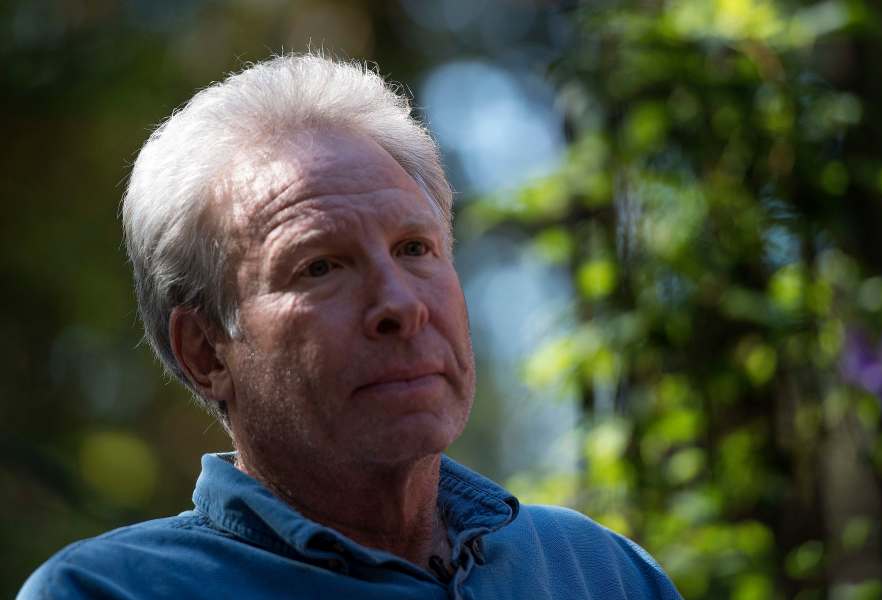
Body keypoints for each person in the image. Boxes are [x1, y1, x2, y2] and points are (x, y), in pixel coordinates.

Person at [18, 54, 682, 600]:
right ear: (206, 352)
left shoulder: (600, 573)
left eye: (416, 249)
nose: (400, 304)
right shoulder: (110, 592)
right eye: (319, 267)